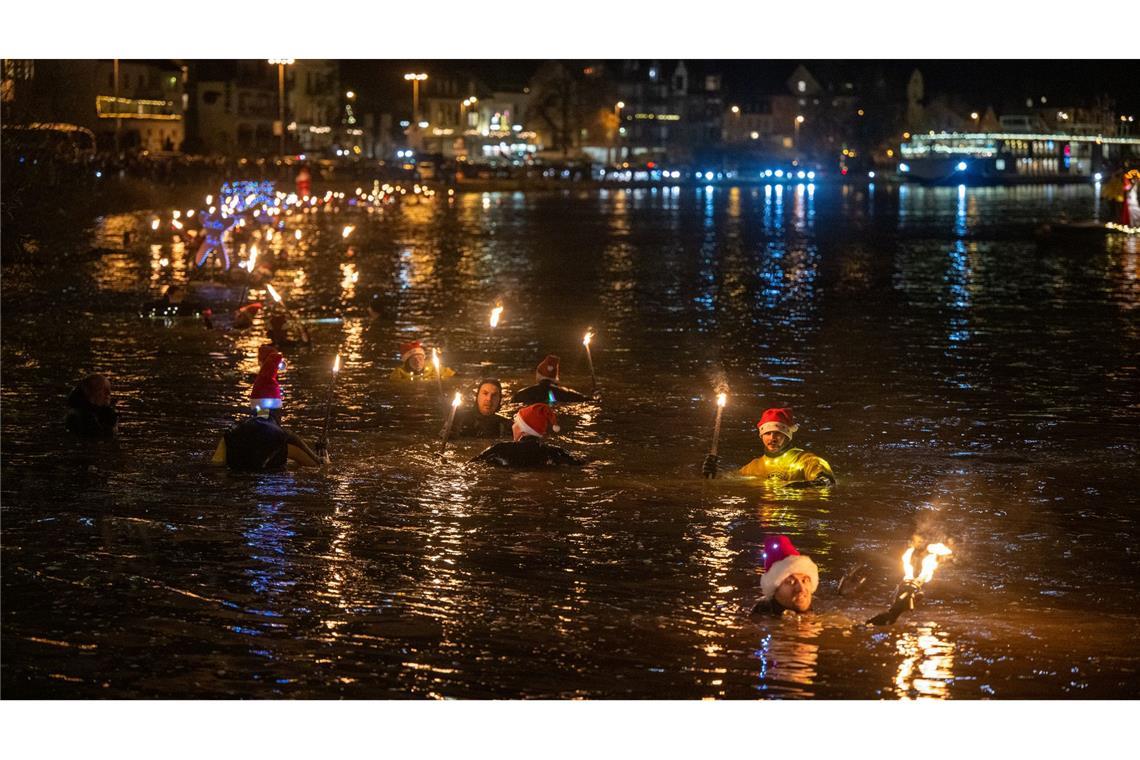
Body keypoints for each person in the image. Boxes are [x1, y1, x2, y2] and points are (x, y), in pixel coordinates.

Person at [703, 407, 835, 486]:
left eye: (777, 433)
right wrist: (713, 474)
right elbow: (729, 481)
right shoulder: (754, 466)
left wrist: (807, 486)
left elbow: (827, 482)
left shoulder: (806, 460)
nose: (772, 438)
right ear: (761, 436)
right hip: (764, 518)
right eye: (767, 433)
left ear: (787, 436)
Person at [210, 406, 326, 470]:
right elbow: (316, 465)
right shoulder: (284, 436)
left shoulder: (233, 431)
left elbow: (217, 464)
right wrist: (323, 451)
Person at [471, 403, 584, 468]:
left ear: (522, 428)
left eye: (516, 422)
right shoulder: (556, 452)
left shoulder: (499, 449)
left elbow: (472, 464)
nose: (512, 426)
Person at [750, 535, 819, 616]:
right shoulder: (760, 620)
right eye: (791, 582)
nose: (801, 589)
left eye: (805, 580)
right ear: (775, 590)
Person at [444, 377, 513, 440]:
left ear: (499, 399)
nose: (489, 399)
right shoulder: (457, 419)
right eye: (485, 393)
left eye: (494, 395)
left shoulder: (506, 426)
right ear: (477, 396)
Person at [511, 355, 590, 405]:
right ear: (556, 377)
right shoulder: (571, 395)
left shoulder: (520, 394)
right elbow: (588, 400)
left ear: (538, 374)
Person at [389, 340, 455, 382]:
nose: (418, 361)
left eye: (420, 358)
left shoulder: (434, 368)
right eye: (414, 359)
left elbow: (453, 376)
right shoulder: (399, 373)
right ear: (407, 362)